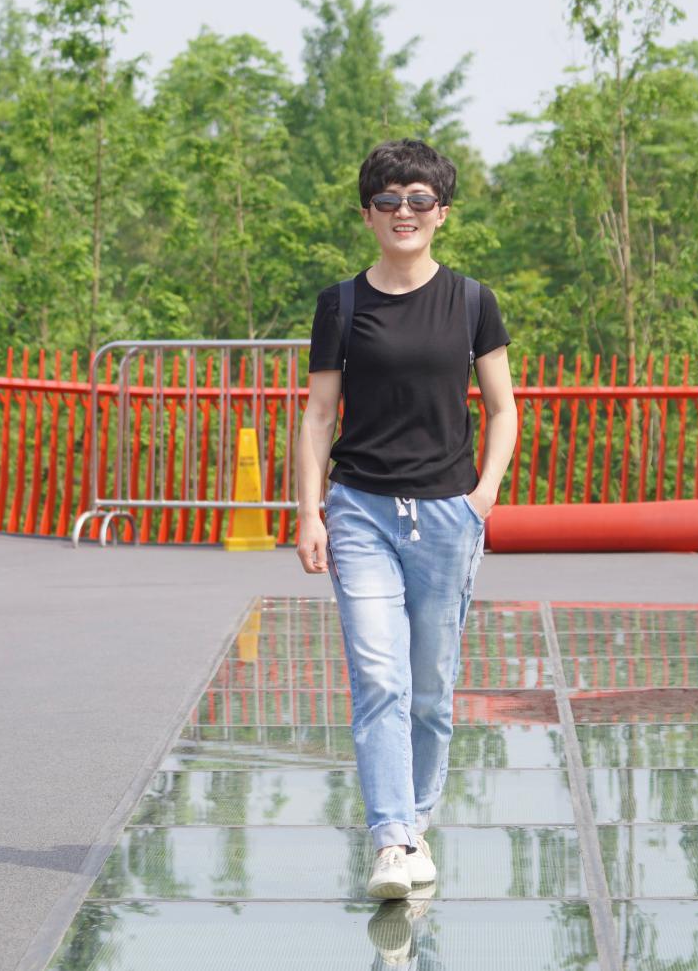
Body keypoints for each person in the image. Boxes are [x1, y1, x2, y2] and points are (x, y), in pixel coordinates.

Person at [296, 137, 517, 900]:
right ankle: (392, 839)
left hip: (448, 516)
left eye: (419, 200)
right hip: (360, 511)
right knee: (379, 678)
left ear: (442, 212)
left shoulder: (472, 301)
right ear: (368, 214)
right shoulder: (341, 304)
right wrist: (309, 512)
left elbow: (503, 409)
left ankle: (416, 824)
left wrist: (482, 498)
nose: (404, 212)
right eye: (388, 200)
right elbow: (319, 414)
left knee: (429, 689)